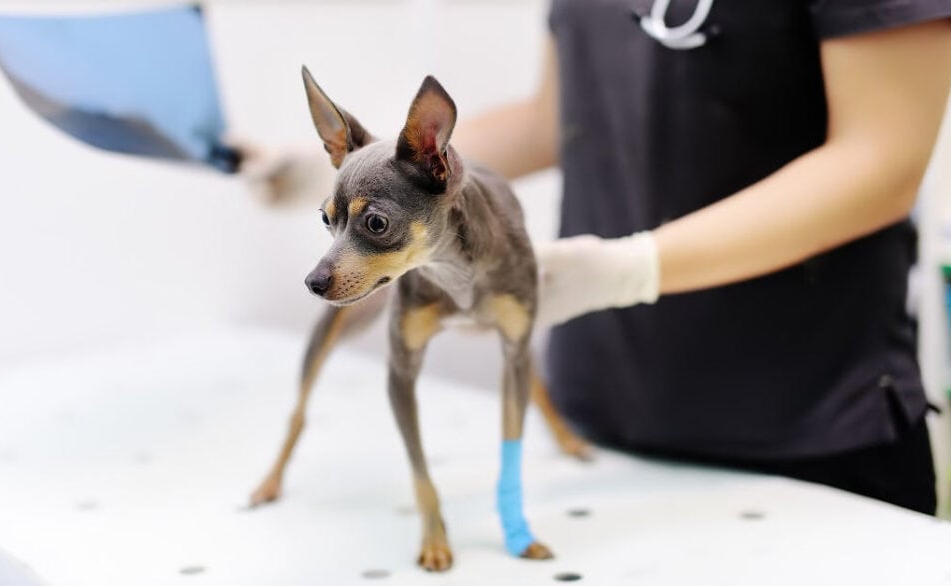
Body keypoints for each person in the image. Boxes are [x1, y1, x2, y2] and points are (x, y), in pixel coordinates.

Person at [244, 1, 951, 515]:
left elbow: (880, 162)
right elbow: (552, 117)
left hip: (805, 427)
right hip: (599, 424)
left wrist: (633, 267)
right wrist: (344, 174)